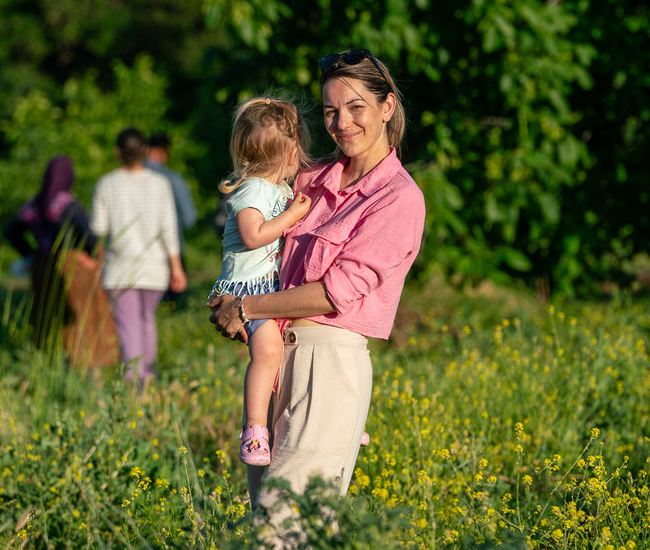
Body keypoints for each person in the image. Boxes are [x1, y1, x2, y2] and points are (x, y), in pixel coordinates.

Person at [208, 49, 425, 525]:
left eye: (355, 107)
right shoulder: (311, 176)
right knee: (265, 517)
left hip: (329, 363)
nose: (341, 122)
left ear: (387, 107)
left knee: (285, 526)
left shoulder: (399, 198)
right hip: (275, 359)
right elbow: (251, 231)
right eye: (330, 110)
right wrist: (229, 297)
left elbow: (336, 292)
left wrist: (246, 306)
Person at [210, 97, 313, 466]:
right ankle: (254, 431)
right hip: (247, 288)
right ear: (289, 154)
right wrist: (295, 215)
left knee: (295, 352)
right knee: (269, 352)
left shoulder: (280, 190)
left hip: (271, 286)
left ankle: (324, 418)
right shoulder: (252, 189)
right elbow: (253, 236)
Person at [91, 127, 187, 389]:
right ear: (145, 151)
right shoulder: (160, 183)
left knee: (129, 325)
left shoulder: (106, 183)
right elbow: (169, 228)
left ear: (118, 152)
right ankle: (149, 376)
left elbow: (98, 228)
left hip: (120, 269)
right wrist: (176, 268)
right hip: (155, 269)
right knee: (146, 321)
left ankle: (135, 382)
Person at [5, 155, 106, 354]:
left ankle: (46, 359)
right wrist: (91, 255)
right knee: (77, 322)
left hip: (42, 267)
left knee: (45, 318)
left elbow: (11, 232)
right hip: (73, 268)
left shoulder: (34, 204)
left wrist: (31, 253)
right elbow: (88, 235)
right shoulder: (68, 205)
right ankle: (80, 365)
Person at [144, 131, 198, 246]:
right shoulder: (174, 180)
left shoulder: (130, 178)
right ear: (165, 151)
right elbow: (189, 217)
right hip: (170, 248)